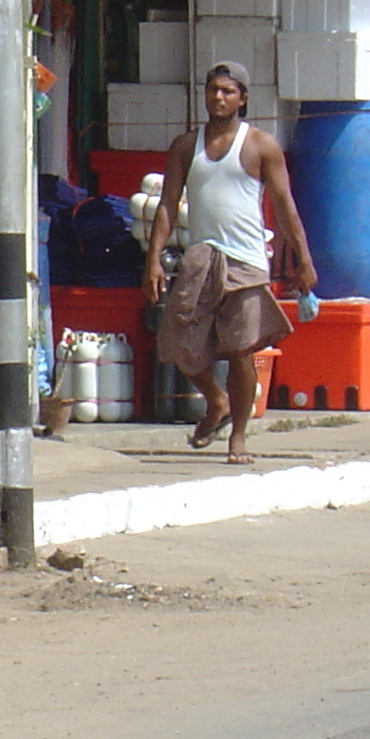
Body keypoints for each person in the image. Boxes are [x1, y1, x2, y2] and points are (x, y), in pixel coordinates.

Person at [143, 62, 317, 464]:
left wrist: (304, 261)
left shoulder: (260, 145)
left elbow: (284, 206)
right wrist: (153, 259)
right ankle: (216, 401)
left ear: (243, 98)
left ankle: (238, 436)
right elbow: (168, 205)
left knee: (241, 351)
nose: (218, 98)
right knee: (177, 342)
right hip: (200, 259)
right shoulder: (186, 146)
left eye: (227, 91)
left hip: (246, 262)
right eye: (212, 90)